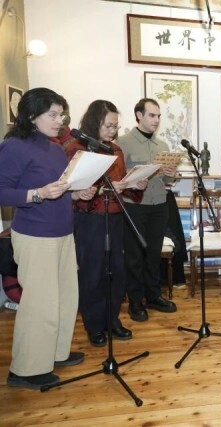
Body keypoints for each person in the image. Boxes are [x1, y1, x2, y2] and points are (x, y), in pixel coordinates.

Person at [0, 87, 96, 389]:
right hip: (35, 235)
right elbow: (3, 191)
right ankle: (25, 370)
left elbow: (60, 189)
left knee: (66, 298)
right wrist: (37, 194)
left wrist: (76, 193)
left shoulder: (55, 149)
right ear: (31, 115)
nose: (60, 120)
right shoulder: (14, 146)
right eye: (52, 115)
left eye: (61, 115)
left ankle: (54, 353)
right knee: (40, 303)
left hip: (63, 233)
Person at [65, 100, 147, 347]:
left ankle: (112, 320)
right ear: (94, 122)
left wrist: (134, 185)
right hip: (90, 220)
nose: (113, 131)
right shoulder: (76, 149)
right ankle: (94, 325)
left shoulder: (116, 151)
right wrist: (98, 191)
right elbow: (71, 189)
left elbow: (122, 185)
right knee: (93, 273)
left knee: (116, 273)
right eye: (108, 126)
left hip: (116, 216)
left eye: (115, 126)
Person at [119, 98, 177, 322]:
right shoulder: (122, 143)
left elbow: (167, 180)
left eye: (158, 116)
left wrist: (171, 173)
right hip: (134, 206)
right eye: (152, 115)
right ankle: (135, 302)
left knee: (153, 254)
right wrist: (133, 182)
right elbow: (117, 178)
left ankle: (153, 296)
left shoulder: (163, 145)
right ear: (139, 115)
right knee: (134, 256)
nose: (156, 120)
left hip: (159, 205)